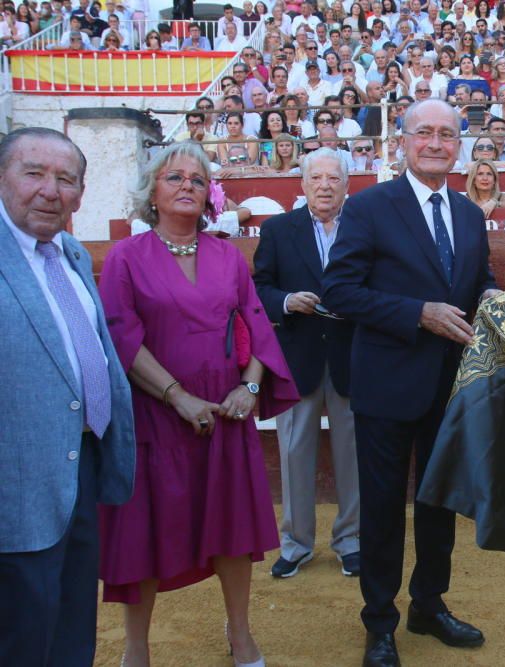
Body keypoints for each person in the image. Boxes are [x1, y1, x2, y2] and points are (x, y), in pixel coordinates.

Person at [97, 142, 298, 667]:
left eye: (197, 178)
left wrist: (248, 390)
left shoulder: (228, 255)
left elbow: (257, 327)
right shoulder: (126, 257)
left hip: (225, 417)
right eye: (174, 177)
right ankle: (135, 648)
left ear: (210, 194)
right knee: (143, 533)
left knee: (234, 530)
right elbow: (121, 338)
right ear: (152, 193)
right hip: (153, 416)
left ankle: (240, 633)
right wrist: (177, 396)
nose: (187, 185)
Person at [322, 98, 500, 667]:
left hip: (451, 385)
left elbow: (479, 279)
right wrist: (416, 313)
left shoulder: (470, 214)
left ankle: (429, 604)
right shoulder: (371, 206)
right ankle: (379, 622)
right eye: (424, 132)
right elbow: (339, 291)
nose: (436, 142)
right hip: (387, 381)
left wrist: (491, 297)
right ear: (402, 141)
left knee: (438, 502)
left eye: (447, 134)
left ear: (460, 144)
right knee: (381, 508)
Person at [0, 128, 135, 666]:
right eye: (34, 173)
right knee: (21, 637)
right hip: (13, 482)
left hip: (80, 468)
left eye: (66, 179)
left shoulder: (72, 252)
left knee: (72, 626)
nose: (50, 190)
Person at [252, 149, 361, 581]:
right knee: (294, 452)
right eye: (316, 177)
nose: (324, 185)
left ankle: (351, 541)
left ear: (347, 185)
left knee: (352, 453)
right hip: (297, 355)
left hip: (350, 355)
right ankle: (295, 544)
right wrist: (284, 301)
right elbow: (258, 288)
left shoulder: (362, 228)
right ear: (302, 184)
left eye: (333, 178)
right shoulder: (278, 229)